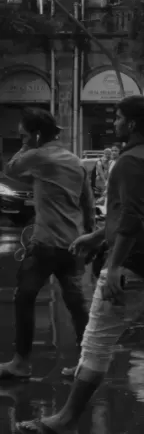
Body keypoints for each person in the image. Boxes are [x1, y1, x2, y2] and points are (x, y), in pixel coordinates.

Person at [15, 94, 144, 434]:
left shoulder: (130, 162)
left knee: (95, 342)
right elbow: (141, 215)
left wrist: (115, 265)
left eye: (119, 118)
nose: (114, 123)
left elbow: (133, 221)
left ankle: (66, 420)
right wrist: (95, 237)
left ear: (133, 125)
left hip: (135, 267)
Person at [0, 108, 94, 380]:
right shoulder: (74, 161)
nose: (22, 139)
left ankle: (20, 363)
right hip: (72, 244)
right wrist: (89, 237)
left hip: (45, 245)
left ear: (36, 134)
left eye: (24, 135)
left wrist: (27, 145)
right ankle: (87, 363)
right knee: (77, 305)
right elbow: (87, 203)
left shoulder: (39, 155)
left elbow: (11, 168)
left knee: (24, 297)